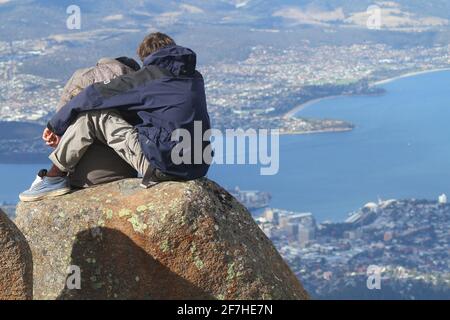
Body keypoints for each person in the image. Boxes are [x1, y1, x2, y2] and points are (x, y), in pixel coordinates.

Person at [19, 32, 211, 202]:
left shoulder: (149, 78)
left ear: (147, 58)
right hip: (198, 166)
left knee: (93, 116)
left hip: (164, 167)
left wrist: (55, 125)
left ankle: (53, 178)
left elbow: (94, 94)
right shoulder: (194, 78)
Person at [57, 56, 141, 188]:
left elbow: (61, 121)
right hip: (125, 170)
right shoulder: (141, 84)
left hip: (83, 176)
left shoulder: (80, 77)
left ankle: (52, 177)